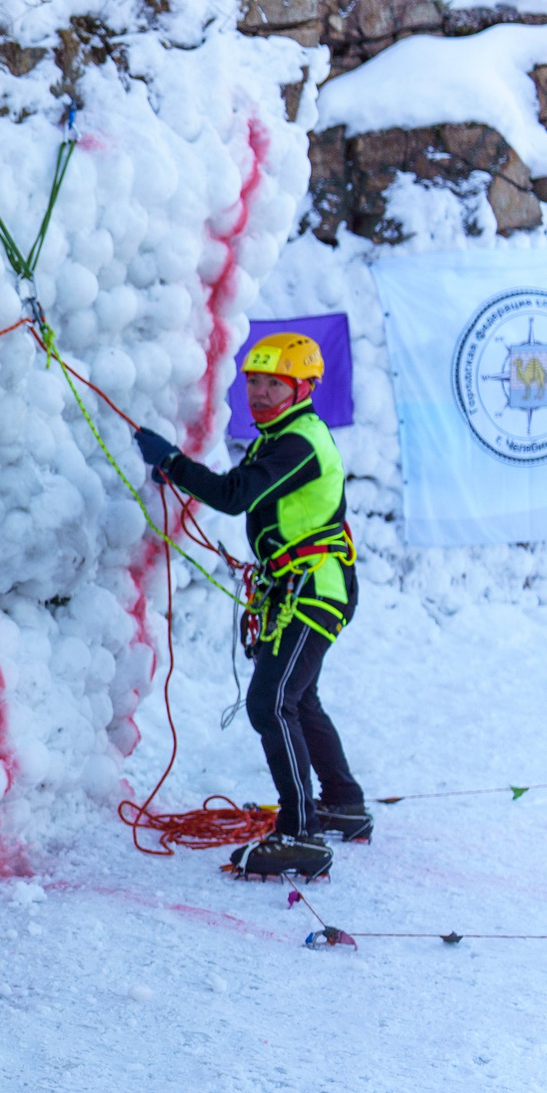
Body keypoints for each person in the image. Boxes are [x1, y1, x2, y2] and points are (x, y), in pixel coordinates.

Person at [133, 331, 368, 882]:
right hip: (300, 585)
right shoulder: (281, 434)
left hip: (314, 589)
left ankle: (299, 832)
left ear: (303, 387)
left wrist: (174, 463)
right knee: (299, 698)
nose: (258, 394)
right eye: (253, 382)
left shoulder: (299, 442)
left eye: (273, 384)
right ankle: (343, 802)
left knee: (271, 702)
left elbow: (237, 495)